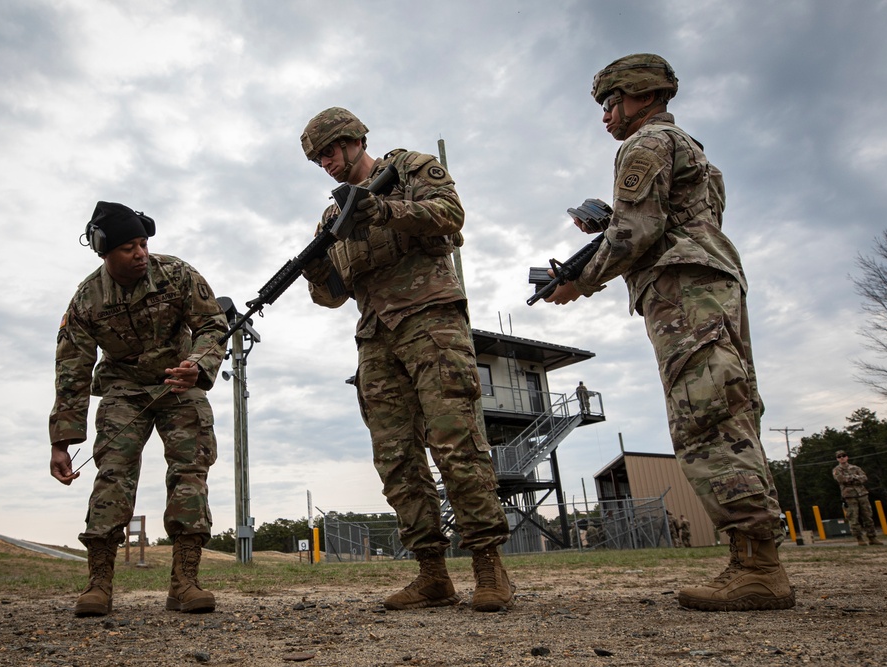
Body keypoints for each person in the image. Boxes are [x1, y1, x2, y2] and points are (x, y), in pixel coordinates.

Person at [545, 54, 794, 611]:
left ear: (641, 95)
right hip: (712, 286)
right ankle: (754, 558)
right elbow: (673, 222)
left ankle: (757, 568)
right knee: (729, 413)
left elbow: (637, 232)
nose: (606, 116)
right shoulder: (696, 153)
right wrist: (611, 226)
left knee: (705, 417)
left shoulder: (643, 146)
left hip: (683, 294)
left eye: (611, 103)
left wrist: (578, 280)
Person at [299, 107, 514, 612]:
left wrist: (385, 211)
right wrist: (313, 272)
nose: (326, 162)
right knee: (396, 457)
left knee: (456, 440)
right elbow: (333, 295)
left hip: (431, 320)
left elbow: (451, 214)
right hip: (375, 336)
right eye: (318, 158)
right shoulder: (331, 218)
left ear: (353, 140)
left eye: (330, 150)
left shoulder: (412, 170)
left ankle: (488, 566)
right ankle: (432, 574)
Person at [48, 201, 229, 617]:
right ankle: (99, 584)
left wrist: (198, 366)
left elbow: (212, 324)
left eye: (143, 243)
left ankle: (185, 582)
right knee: (113, 475)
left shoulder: (177, 274)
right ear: (103, 251)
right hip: (123, 389)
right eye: (129, 246)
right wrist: (62, 442)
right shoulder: (87, 300)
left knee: (190, 474)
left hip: (178, 382)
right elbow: (71, 370)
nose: (140, 253)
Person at [832, 450, 882, 546]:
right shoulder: (837, 470)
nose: (842, 457)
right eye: (839, 456)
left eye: (843, 455)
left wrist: (851, 478)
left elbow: (864, 478)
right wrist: (855, 478)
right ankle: (859, 538)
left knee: (868, 516)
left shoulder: (855, 467)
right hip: (849, 496)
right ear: (837, 459)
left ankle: (872, 537)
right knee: (853, 518)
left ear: (847, 457)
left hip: (862, 494)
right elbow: (841, 479)